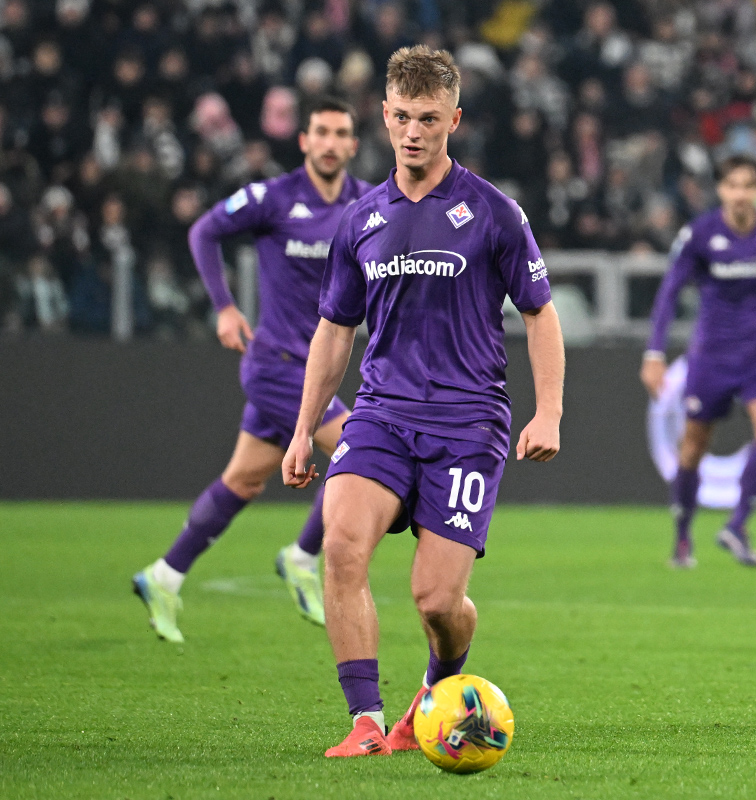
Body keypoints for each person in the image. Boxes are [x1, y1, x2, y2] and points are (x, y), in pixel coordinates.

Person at [282, 46, 564, 758]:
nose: (412, 131)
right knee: (342, 548)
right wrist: (301, 429)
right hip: (381, 415)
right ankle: (366, 723)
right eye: (402, 117)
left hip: (468, 425)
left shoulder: (494, 213)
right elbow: (334, 332)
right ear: (383, 116)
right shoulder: (361, 222)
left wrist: (549, 410)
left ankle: (437, 686)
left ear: (454, 121)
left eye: (428, 119)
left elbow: (540, 313)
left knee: (438, 601)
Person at [132, 98, 374, 644]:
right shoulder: (273, 197)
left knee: (242, 480)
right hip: (276, 365)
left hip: (317, 370)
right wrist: (222, 305)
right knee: (362, 452)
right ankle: (302, 555)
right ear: (304, 141)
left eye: (341, 133)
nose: (331, 142)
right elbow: (202, 232)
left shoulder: (366, 204)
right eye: (322, 132)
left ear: (353, 145)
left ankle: (163, 575)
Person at [641, 153, 756, 569]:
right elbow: (669, 293)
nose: (739, 194)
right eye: (731, 185)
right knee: (694, 447)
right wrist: (654, 353)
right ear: (721, 190)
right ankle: (682, 538)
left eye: (747, 185)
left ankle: (737, 525)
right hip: (711, 358)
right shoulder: (700, 235)